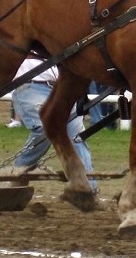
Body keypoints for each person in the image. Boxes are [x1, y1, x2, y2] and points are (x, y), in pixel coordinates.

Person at [10, 55, 96, 191]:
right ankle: (18, 172)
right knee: (44, 129)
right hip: (31, 85)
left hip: (61, 88)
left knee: (76, 136)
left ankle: (88, 188)